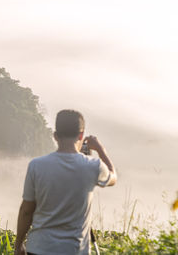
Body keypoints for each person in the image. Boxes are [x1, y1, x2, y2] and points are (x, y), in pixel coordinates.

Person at [14, 109, 117, 255]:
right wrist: (101, 149)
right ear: (81, 135)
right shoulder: (93, 166)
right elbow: (113, 177)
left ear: (55, 136)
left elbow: (26, 210)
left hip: (39, 248)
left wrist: (19, 244)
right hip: (74, 250)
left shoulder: (36, 165)